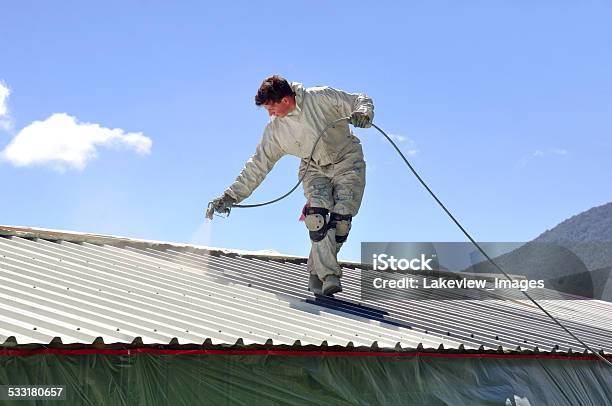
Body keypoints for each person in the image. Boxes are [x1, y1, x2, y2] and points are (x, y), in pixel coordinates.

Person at [207, 75, 374, 296]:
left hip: (347, 160)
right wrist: (230, 196)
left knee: (341, 221)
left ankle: (315, 272)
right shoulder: (275, 132)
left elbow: (359, 99)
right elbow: (258, 164)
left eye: (271, 108)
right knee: (317, 218)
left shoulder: (320, 97)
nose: (270, 114)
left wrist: (363, 113)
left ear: (286, 100)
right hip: (313, 168)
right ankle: (329, 275)